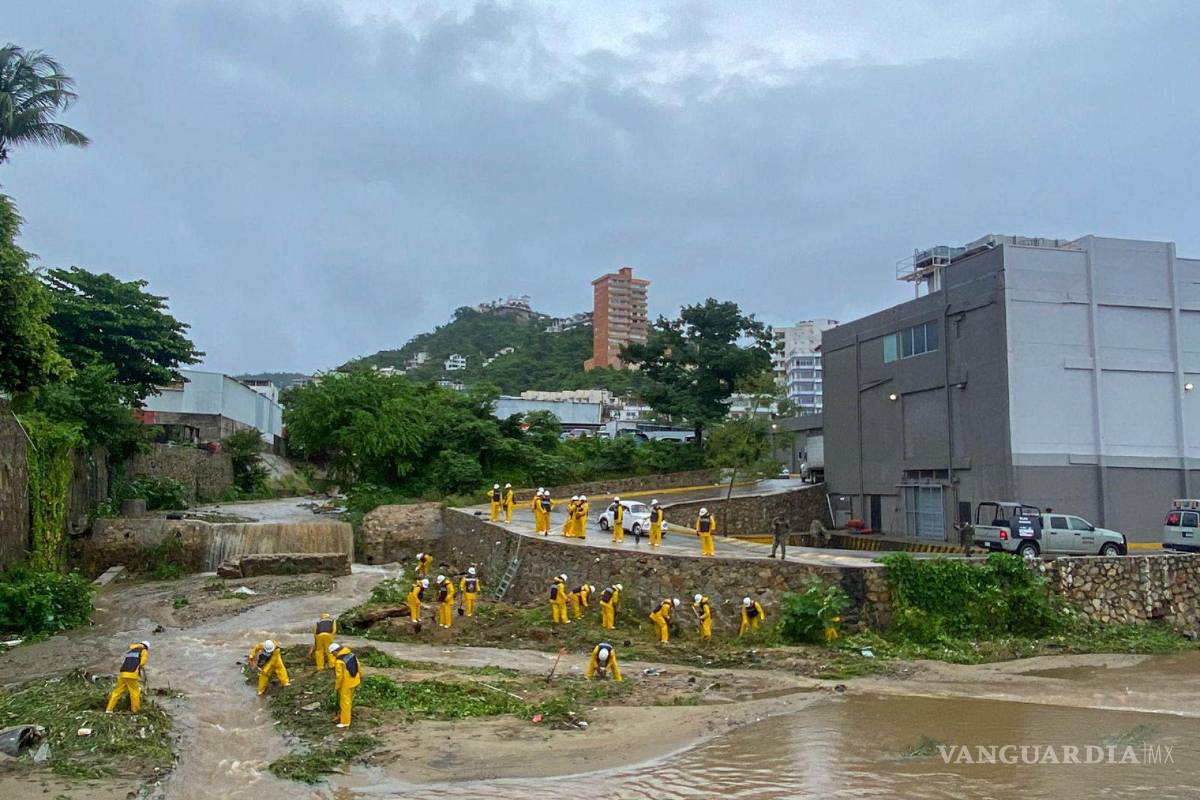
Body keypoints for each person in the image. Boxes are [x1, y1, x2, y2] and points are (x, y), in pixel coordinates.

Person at [105, 641, 149, 714]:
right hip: (132, 674)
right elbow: (142, 663)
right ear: (146, 647)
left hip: (123, 673)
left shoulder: (131, 651)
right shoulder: (143, 650)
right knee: (135, 692)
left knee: (116, 692)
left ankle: (109, 709)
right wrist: (140, 668)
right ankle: (135, 710)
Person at [329, 642, 362, 728]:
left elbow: (339, 677)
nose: (333, 655)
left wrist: (337, 686)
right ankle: (347, 715)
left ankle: (345, 722)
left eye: (332, 653)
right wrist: (361, 676)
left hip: (346, 684)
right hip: (355, 680)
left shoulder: (339, 661)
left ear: (335, 651)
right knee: (349, 700)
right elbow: (358, 665)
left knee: (345, 703)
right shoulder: (351, 654)